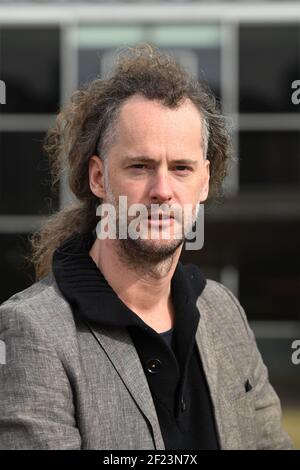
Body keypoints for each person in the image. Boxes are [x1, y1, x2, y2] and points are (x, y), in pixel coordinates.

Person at [0, 44, 293, 450]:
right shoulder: (34, 330)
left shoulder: (223, 311)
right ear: (99, 178)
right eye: (140, 166)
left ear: (204, 181)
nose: (162, 191)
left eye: (181, 168)